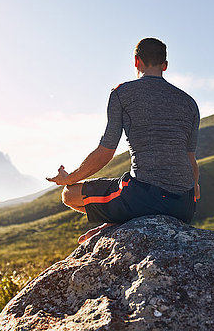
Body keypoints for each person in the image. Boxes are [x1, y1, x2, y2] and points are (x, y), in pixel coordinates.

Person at [46, 37, 200, 244]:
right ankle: (119, 219)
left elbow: (105, 152)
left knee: (69, 195)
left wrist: (69, 178)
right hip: (184, 206)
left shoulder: (122, 93)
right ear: (165, 65)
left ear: (136, 61)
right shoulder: (189, 103)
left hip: (144, 196)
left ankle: (119, 220)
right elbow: (191, 160)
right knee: (129, 191)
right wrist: (193, 189)